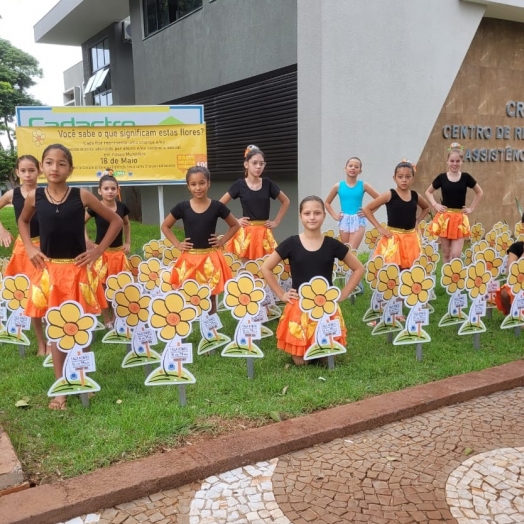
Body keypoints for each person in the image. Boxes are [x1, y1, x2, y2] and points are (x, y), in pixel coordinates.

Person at [19, 144, 123, 410]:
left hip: (78, 272)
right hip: (50, 272)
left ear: (70, 168)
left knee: (83, 329)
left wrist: (98, 250)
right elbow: (23, 222)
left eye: (62, 163)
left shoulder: (83, 196)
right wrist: (30, 247)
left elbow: (116, 221)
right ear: (43, 167)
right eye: (50, 163)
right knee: (57, 331)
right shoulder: (35, 196)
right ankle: (61, 389)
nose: (55, 168)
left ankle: (83, 380)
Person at [261, 196, 365, 366]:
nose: (312, 217)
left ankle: (321, 344)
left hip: (325, 307)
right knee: (301, 362)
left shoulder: (332, 245)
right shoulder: (291, 243)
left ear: (324, 216)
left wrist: (344, 293)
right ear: (300, 216)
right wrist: (281, 294)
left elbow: (359, 268)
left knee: (326, 359)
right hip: (299, 308)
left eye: (317, 213)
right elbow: (266, 268)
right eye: (307, 213)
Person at [161, 166, 239, 313]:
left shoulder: (217, 206)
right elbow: (165, 226)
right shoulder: (182, 207)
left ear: (209, 183)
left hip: (210, 258)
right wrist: (177, 244)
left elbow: (235, 225)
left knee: (211, 294)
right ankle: (187, 322)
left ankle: (211, 324)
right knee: (186, 292)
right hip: (189, 258)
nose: (198, 187)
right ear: (188, 186)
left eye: (202, 183)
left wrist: (222, 241)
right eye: (193, 184)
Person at [0, 155, 47, 355]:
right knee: (30, 296)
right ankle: (41, 343)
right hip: (24, 249)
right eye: (23, 171)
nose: (28, 175)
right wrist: (2, 230)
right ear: (17, 172)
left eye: (32, 170)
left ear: (39, 171)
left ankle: (54, 340)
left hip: (46, 249)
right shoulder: (12, 194)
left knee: (46, 294)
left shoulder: (47, 193)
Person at [220, 145, 290, 260]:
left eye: (261, 163)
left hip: (264, 233)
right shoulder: (239, 184)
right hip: (246, 233)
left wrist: (276, 221)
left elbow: (286, 201)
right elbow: (220, 205)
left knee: (265, 266)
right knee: (246, 267)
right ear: (246, 164)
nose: (258, 166)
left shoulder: (268, 183)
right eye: (255, 163)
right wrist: (236, 220)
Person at [362, 161, 430, 270]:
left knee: (409, 270)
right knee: (392, 270)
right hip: (393, 238)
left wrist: (417, 221)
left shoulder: (415, 196)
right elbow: (367, 209)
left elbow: (426, 207)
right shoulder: (390, 194)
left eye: (408, 177)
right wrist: (379, 227)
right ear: (394, 178)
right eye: (400, 177)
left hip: (410, 238)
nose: (404, 180)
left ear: (413, 178)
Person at [85, 174, 131, 328]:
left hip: (118, 254)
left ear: (117, 190)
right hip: (101, 255)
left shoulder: (122, 207)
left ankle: (118, 317)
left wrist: (127, 242)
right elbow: (80, 223)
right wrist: (87, 240)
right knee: (102, 286)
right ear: (100, 191)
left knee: (118, 286)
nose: (110, 191)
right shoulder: (95, 207)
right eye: (106, 188)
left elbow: (126, 224)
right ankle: (106, 319)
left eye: (113, 188)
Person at [425, 143, 483, 263]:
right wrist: (435, 205)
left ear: (461, 162)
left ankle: (455, 278)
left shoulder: (466, 177)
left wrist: (471, 208)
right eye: (452, 161)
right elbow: (428, 192)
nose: (454, 164)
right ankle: (447, 280)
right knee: (446, 254)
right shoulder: (441, 178)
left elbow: (479, 192)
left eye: (457, 161)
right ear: (447, 161)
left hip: (459, 219)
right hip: (445, 218)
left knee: (456, 255)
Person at [324, 157, 379, 248]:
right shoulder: (338, 186)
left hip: (358, 220)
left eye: (356, 167)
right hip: (344, 220)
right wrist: (334, 215)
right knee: (346, 251)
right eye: (350, 166)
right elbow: (327, 203)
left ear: (360, 171)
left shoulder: (363, 185)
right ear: (345, 168)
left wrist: (368, 212)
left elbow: (379, 199)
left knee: (352, 250)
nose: (353, 168)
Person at [495, 213, 524, 315]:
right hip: (519, 285)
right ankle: (514, 315)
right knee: (504, 293)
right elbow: (510, 273)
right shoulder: (516, 247)